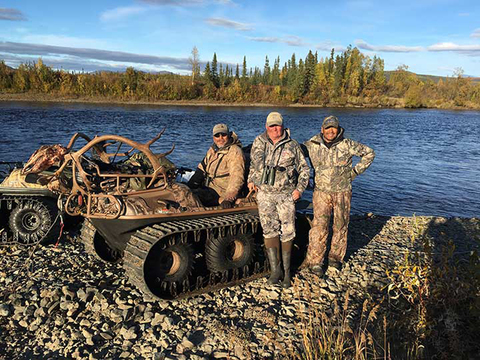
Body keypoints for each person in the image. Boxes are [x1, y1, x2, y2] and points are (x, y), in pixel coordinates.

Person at [304, 115, 375, 275]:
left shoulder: (347, 144)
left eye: (333, 128)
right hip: (321, 192)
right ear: (322, 129)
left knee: (340, 226)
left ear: (338, 129)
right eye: (327, 128)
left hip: (343, 191)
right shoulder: (312, 144)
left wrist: (355, 171)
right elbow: (297, 154)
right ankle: (316, 262)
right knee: (319, 227)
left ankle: (335, 260)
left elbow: (369, 153)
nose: (330, 131)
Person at [247, 112, 310, 288]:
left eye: (278, 125)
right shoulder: (258, 142)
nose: (275, 129)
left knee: (288, 231)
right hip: (264, 194)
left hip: (286, 195)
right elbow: (253, 165)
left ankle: (288, 274)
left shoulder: (292, 145)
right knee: (269, 230)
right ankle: (276, 271)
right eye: (272, 126)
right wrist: (250, 180)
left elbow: (304, 169)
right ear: (266, 126)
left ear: (283, 126)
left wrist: (299, 189)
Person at [188, 123, 245, 208]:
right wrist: (189, 187)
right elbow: (201, 170)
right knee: (183, 190)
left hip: (221, 194)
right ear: (213, 137)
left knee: (188, 196)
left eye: (224, 135)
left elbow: (237, 177)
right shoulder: (213, 150)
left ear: (229, 135)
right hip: (209, 189)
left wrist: (228, 198)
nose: (220, 138)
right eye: (217, 135)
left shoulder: (235, 152)